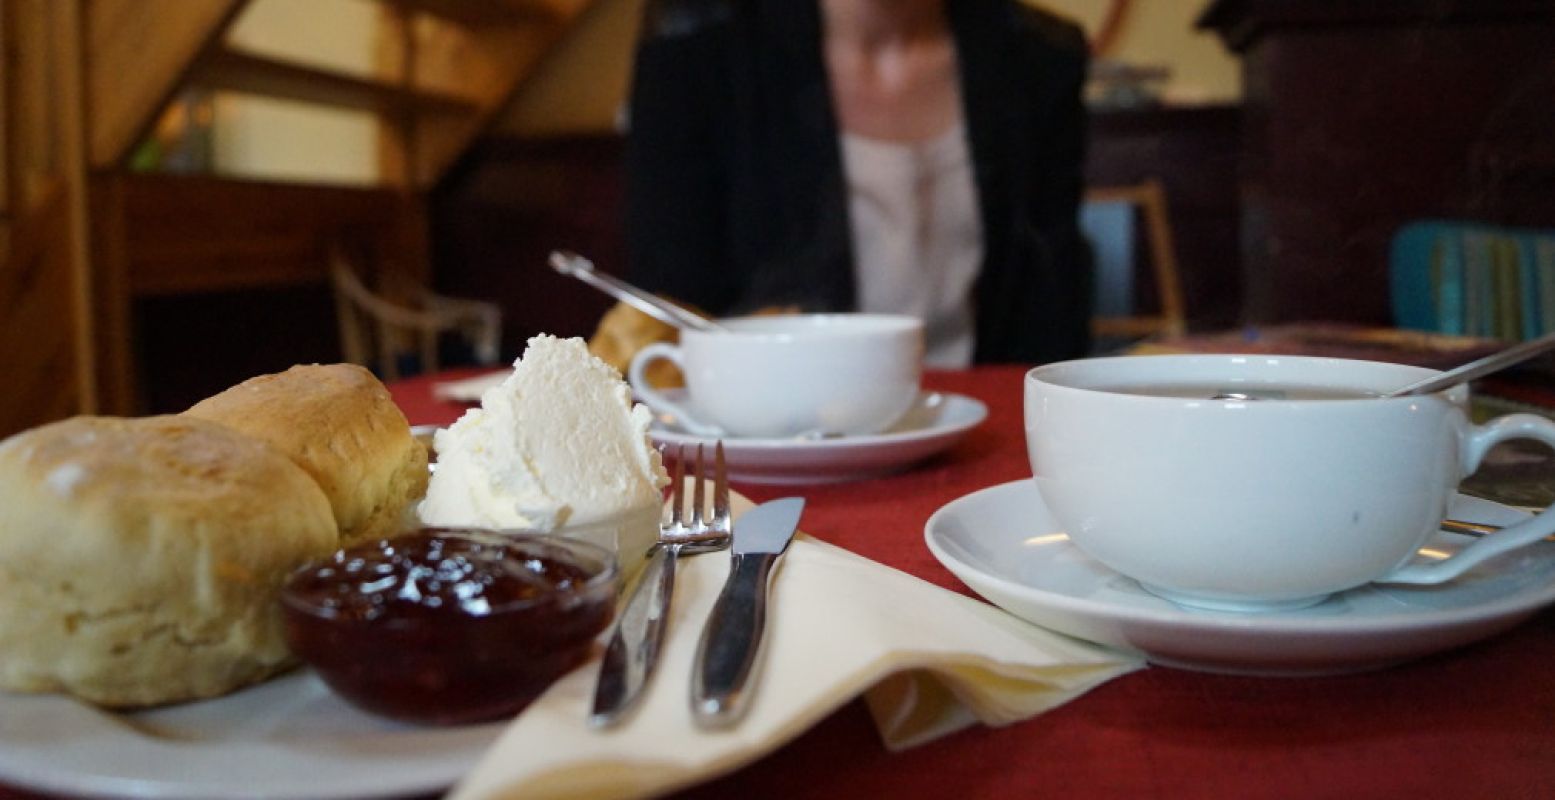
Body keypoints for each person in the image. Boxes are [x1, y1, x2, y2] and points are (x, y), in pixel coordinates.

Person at [623, 0, 1094, 366]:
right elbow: (667, 305)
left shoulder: (1038, 57)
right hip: (768, 436)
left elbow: (1048, 310)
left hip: (974, 423)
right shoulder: (694, 51)